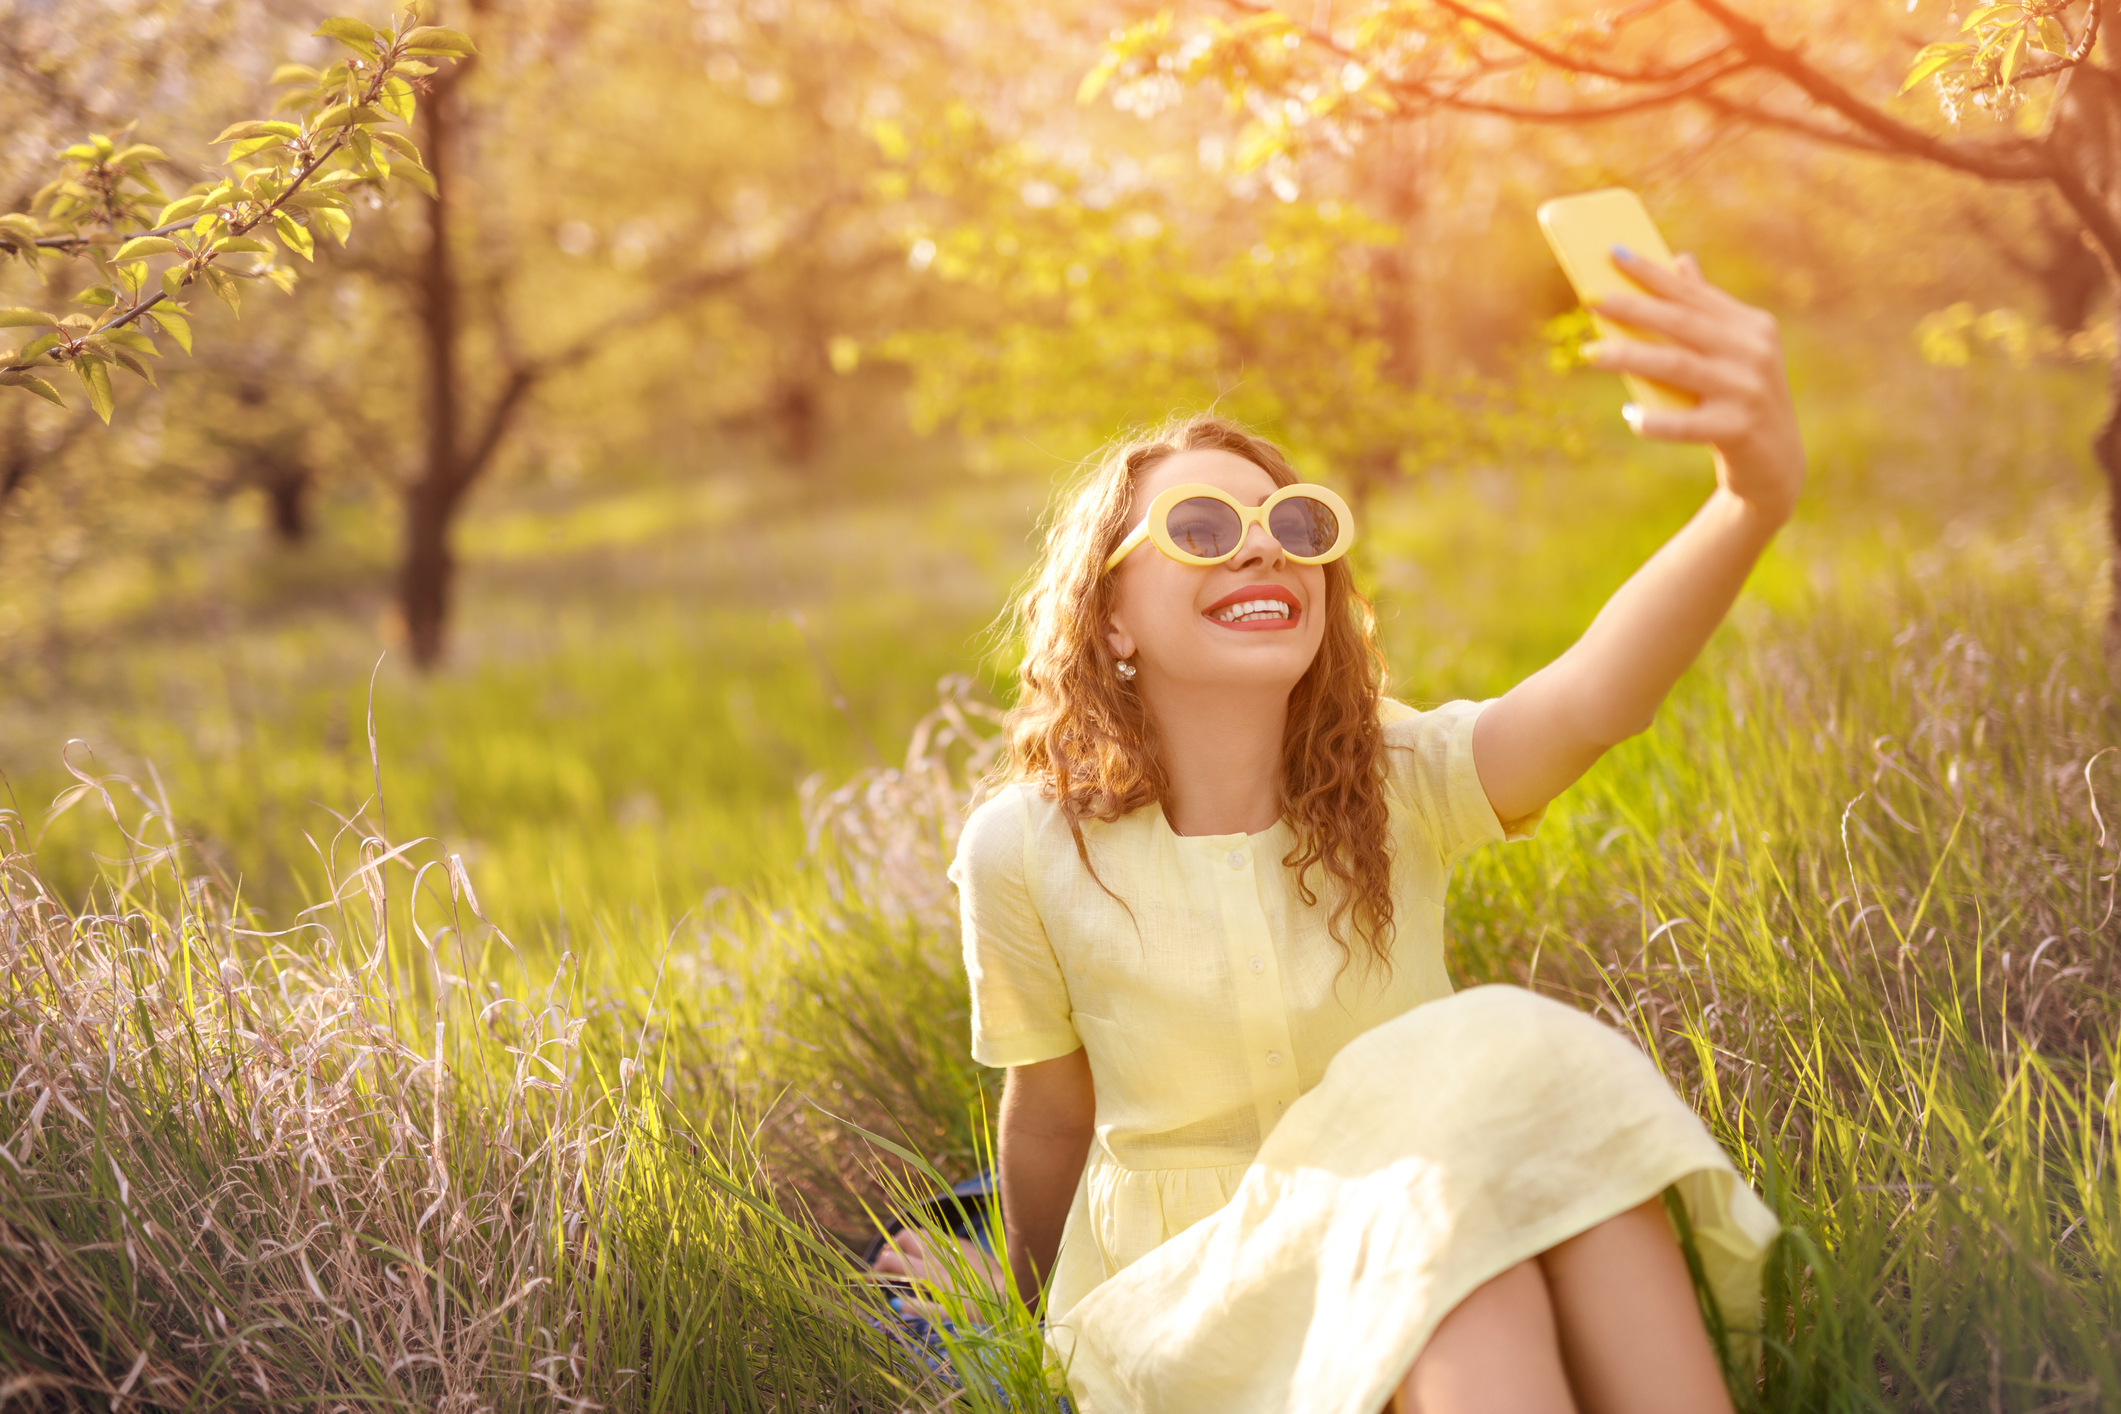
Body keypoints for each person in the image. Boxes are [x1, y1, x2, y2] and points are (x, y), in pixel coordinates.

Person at [892, 249, 1800, 1413]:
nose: (1264, 545)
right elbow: (1052, 1112)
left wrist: (1749, 498)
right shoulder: (1024, 849)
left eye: (1295, 522)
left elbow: (1592, 702)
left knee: (1480, 1223)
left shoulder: (1398, 777)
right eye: (1205, 526)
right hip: (1183, 1299)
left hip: (1422, 1235)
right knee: (1470, 1198)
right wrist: (1012, 1309)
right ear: (1111, 613)